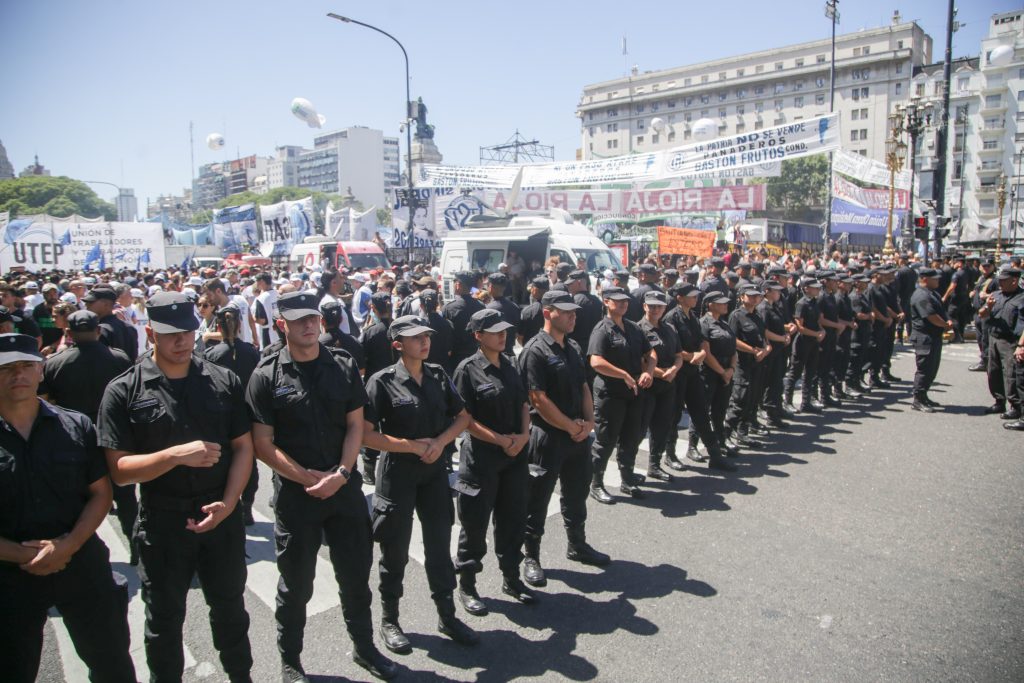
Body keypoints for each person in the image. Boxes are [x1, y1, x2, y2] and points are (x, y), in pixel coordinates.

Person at [98, 291, 254, 683]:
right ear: (150, 333)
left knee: (231, 610)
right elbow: (119, 471)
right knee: (165, 621)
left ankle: (241, 676)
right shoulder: (124, 389)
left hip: (220, 517)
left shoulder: (222, 379)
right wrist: (174, 455)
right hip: (164, 522)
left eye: (187, 331)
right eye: (170, 334)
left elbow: (243, 447)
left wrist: (230, 503)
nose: (181, 341)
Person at [245, 291, 396, 682]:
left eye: (312, 318)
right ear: (282, 326)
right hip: (299, 495)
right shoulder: (266, 375)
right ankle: (291, 661)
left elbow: (355, 426)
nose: (308, 325)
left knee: (355, 578)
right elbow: (263, 444)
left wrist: (342, 474)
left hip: (343, 490)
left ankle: (364, 649)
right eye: (298, 320)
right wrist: (308, 478)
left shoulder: (342, 365)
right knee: (295, 586)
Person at [0, 333, 136, 683]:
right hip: (9, 574)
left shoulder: (74, 425)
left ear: (41, 371)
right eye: (7, 368)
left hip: (80, 562)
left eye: (26, 366)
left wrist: (67, 546)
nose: (18, 375)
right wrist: (19, 554)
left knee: (112, 666)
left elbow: (100, 495)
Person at [362, 316, 477, 653]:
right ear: (397, 344)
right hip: (398, 472)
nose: (424, 342)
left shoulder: (439, 374)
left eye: (426, 336)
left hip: (433, 472)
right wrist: (411, 446)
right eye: (415, 338)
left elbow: (463, 417)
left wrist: (440, 443)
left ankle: (447, 615)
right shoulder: (381, 381)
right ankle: (390, 619)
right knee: (394, 549)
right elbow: (367, 435)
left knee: (439, 546)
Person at [518, 290, 609, 588]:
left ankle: (577, 544)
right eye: (566, 311)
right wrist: (571, 427)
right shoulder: (535, 350)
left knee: (577, 492)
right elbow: (538, 400)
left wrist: (589, 421)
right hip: (548, 436)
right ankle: (530, 556)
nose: (573, 316)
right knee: (537, 499)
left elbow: (584, 385)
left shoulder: (570, 347)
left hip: (577, 433)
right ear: (547, 313)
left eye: (574, 312)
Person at [452, 309, 535, 616]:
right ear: (478, 336)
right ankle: (468, 584)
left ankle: (511, 578)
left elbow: (524, 403)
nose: (503, 335)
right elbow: (464, 420)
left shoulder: (510, 363)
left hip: (515, 454)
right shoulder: (467, 370)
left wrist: (524, 435)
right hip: (483, 458)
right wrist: (501, 441)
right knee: (474, 524)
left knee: (513, 519)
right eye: (495, 331)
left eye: (504, 331)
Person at [39, 310, 136, 555]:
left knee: (79, 501)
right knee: (125, 498)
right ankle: (136, 546)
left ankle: (78, 549)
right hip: (115, 437)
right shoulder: (119, 359)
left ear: (68, 333)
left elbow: (44, 402)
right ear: (99, 330)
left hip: (73, 441)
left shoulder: (55, 363)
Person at [588, 286, 655, 503]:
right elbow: (596, 361)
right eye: (617, 301)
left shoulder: (633, 328)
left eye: (625, 300)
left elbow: (651, 352)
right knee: (606, 440)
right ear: (606, 302)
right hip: (611, 393)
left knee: (631, 438)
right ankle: (596, 483)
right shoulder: (602, 329)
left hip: (634, 392)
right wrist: (623, 374)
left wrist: (649, 372)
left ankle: (627, 479)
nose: (623, 304)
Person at [204, 303, 262, 527]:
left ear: (218, 325)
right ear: (239, 325)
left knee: (224, 461)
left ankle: (229, 504)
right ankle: (246, 506)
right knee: (249, 462)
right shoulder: (251, 352)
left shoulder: (211, 354)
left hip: (220, 415)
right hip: (247, 414)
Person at [637, 291, 682, 482]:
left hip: (668, 385)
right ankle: (627, 471)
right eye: (652, 306)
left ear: (664, 308)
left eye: (659, 306)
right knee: (638, 430)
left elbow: (679, 354)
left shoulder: (669, 328)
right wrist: (661, 373)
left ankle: (654, 465)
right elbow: (638, 361)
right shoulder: (637, 329)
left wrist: (674, 369)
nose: (656, 309)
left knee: (662, 426)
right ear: (644, 306)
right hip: (648, 386)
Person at [723, 286, 771, 449]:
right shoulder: (736, 316)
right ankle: (726, 434)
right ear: (742, 297)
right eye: (750, 296)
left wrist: (766, 349)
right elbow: (733, 340)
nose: (754, 299)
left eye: (757, 296)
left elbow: (763, 336)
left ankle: (742, 432)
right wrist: (752, 350)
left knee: (752, 398)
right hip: (742, 363)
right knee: (739, 398)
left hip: (757, 363)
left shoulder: (756, 315)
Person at [978, 266, 1024, 420]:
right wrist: (989, 307)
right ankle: (999, 400)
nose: (1000, 284)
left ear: (1014, 281)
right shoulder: (996, 294)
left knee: (1010, 374)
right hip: (993, 338)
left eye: (1004, 281)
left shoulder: (1021, 298)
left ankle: (1016, 406)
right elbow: (981, 313)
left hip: (1010, 341)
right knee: (993, 371)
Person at [700, 293, 739, 459]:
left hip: (726, 370)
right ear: (710, 305)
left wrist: (731, 368)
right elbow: (706, 353)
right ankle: (693, 445)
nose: (725, 305)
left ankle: (720, 441)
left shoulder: (724, 323)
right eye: (721, 303)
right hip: (710, 372)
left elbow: (733, 348)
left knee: (720, 409)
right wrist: (722, 372)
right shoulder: (704, 323)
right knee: (703, 408)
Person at [908, 269, 952, 412]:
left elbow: (940, 311)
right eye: (935, 278)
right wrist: (945, 325)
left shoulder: (932, 293)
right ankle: (918, 399)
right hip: (924, 337)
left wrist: (946, 321)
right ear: (925, 279)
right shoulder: (921, 295)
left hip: (933, 336)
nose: (938, 281)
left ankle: (924, 395)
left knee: (932, 368)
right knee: (924, 369)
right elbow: (930, 316)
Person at [784, 278, 826, 413]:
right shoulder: (801, 304)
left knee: (810, 372)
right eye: (814, 287)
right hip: (802, 342)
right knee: (795, 372)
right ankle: (787, 401)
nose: (817, 289)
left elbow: (818, 320)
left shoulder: (814, 302)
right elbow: (800, 327)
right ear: (806, 288)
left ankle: (806, 402)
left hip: (813, 341)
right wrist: (816, 334)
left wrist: (822, 330)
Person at [443, 271, 486, 370]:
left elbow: (446, 335)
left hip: (456, 357)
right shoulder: (481, 305)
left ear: (458, 285)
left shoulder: (449, 308)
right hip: (476, 354)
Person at [84, 284, 138, 361]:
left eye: (91, 302)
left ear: (105, 305)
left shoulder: (101, 330)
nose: (86, 305)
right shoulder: (130, 328)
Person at [485, 272, 521, 355]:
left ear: (490, 287)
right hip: (509, 352)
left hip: (493, 354)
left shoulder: (488, 309)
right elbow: (516, 333)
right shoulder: (514, 306)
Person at [517, 276, 549, 348]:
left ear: (535, 290)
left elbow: (520, 337)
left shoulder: (527, 311)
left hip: (532, 349)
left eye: (532, 288)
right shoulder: (555, 308)